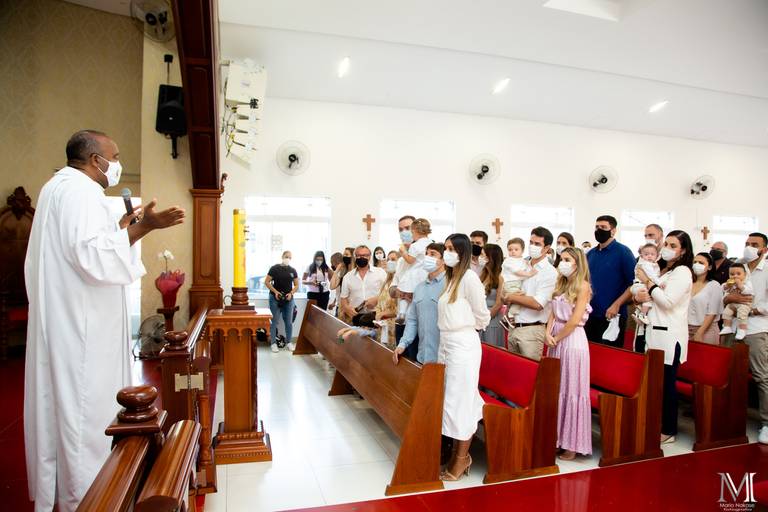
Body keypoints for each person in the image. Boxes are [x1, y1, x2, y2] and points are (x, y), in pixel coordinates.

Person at [24, 130, 185, 511]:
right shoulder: (81, 192)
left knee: (65, 411)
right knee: (85, 413)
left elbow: (80, 248)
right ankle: (91, 498)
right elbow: (91, 256)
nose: (117, 163)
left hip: (66, 317)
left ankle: (72, 492)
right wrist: (144, 227)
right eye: (114, 155)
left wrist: (121, 229)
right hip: (83, 329)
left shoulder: (55, 189)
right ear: (95, 159)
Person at [436, 234, 490, 481]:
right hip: (446, 342)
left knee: (461, 401)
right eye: (445, 248)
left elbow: (482, 315)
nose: (447, 253)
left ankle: (461, 458)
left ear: (462, 252)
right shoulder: (450, 279)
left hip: (463, 344)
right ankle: (455, 453)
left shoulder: (469, 278)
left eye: (450, 248)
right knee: (448, 400)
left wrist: (466, 330)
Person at [634, 230, 693, 444]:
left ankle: (668, 429)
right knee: (655, 384)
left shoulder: (683, 272)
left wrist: (648, 282)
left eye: (673, 245)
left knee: (667, 384)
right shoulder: (665, 270)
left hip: (669, 335)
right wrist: (640, 294)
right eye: (666, 244)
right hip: (654, 332)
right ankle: (654, 423)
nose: (667, 248)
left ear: (683, 250)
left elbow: (668, 301)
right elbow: (652, 295)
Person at [545, 247, 592, 460]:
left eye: (567, 259)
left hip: (572, 340)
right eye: (561, 259)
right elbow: (553, 313)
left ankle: (572, 444)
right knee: (557, 388)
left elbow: (574, 320)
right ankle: (557, 438)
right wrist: (547, 332)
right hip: (555, 339)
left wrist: (558, 337)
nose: (562, 263)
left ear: (577, 263)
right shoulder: (560, 284)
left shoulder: (583, 287)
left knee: (571, 389)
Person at [727, 233, 768, 444]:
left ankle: (767, 423)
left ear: (764, 249)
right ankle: (732, 421)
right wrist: (732, 298)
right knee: (732, 375)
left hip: (757, 328)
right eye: (747, 244)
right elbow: (726, 294)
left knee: (762, 377)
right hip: (734, 326)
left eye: (754, 245)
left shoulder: (767, 269)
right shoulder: (739, 266)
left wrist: (752, 310)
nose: (749, 247)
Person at [503, 227, 558, 360]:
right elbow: (506, 293)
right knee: (513, 372)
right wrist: (508, 296)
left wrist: (512, 297)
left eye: (537, 244)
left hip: (532, 330)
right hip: (513, 327)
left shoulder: (549, 272)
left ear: (547, 248)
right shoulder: (523, 265)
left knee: (530, 375)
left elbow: (538, 303)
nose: (532, 246)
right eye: (531, 242)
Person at [585, 215, 636, 347]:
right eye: (597, 227)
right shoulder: (591, 254)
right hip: (590, 315)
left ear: (613, 231)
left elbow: (633, 284)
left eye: (603, 227)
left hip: (612, 315)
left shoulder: (623, 252)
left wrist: (617, 304)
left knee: (610, 357)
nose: (599, 230)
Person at [393, 243, 446, 364]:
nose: (428, 257)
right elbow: (413, 320)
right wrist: (402, 344)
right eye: (426, 254)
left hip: (443, 359)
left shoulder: (449, 285)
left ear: (443, 260)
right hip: (422, 356)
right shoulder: (419, 288)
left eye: (432, 254)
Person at [339, 245, 387, 324]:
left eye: (365, 255)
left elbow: (388, 293)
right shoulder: (348, 277)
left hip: (376, 315)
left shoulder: (380, 272)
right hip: (356, 316)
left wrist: (377, 299)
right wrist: (347, 308)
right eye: (359, 255)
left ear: (370, 256)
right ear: (355, 257)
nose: (362, 258)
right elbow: (343, 299)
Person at [396, 218, 432, 321]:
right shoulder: (430, 244)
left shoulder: (415, 246)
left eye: (409, 230)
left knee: (405, 296)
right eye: (401, 229)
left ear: (416, 231)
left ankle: (402, 313)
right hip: (424, 276)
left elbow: (410, 260)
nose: (409, 234)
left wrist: (403, 252)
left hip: (414, 276)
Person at [499, 238, 537, 329]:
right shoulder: (508, 261)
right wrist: (529, 274)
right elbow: (516, 271)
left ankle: (506, 317)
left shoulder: (523, 261)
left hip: (518, 284)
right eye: (510, 250)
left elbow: (527, 266)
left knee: (517, 299)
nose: (513, 252)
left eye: (516, 249)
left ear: (522, 250)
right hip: (510, 283)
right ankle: (510, 315)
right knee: (518, 300)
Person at [266, 250, 300, 353]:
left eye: (289, 257)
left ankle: (289, 342)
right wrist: (275, 292)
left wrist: (291, 293)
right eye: (286, 256)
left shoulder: (293, 270)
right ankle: (273, 343)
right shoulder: (274, 268)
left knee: (289, 322)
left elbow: (297, 285)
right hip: (275, 298)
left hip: (288, 299)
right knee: (274, 321)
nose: (287, 259)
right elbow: (267, 282)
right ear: (282, 256)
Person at [688, 252, 722, 344]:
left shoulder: (714, 285)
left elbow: (712, 312)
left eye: (701, 263)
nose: (697, 265)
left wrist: (700, 332)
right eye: (695, 262)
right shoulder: (688, 283)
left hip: (707, 330)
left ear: (710, 267)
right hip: (686, 329)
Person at [479, 244, 505, 348]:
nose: (480, 258)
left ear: (491, 258)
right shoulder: (483, 274)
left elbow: (499, 303)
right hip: (481, 319)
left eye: (483, 255)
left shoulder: (500, 277)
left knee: (491, 350)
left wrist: (485, 319)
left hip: (491, 320)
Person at [630, 243, 662, 329]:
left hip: (640, 285)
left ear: (657, 255)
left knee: (646, 299)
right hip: (640, 285)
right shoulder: (645, 264)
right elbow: (651, 276)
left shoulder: (654, 264)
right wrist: (659, 283)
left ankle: (638, 313)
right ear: (641, 255)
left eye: (652, 254)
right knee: (648, 298)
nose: (649, 256)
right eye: (646, 254)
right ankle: (643, 315)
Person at [719, 263, 753, 340]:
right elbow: (722, 289)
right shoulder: (729, 283)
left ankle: (742, 330)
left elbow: (749, 291)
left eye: (738, 274)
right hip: (732, 304)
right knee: (726, 313)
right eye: (732, 274)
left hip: (743, 304)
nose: (735, 276)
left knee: (742, 314)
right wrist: (727, 286)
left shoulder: (747, 283)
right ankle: (727, 327)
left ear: (744, 274)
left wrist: (740, 285)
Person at [330, 246, 355, 320]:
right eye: (343, 255)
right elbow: (332, 286)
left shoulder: (356, 272)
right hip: (341, 307)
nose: (344, 257)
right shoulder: (342, 272)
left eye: (346, 255)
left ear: (352, 257)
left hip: (352, 307)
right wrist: (337, 269)